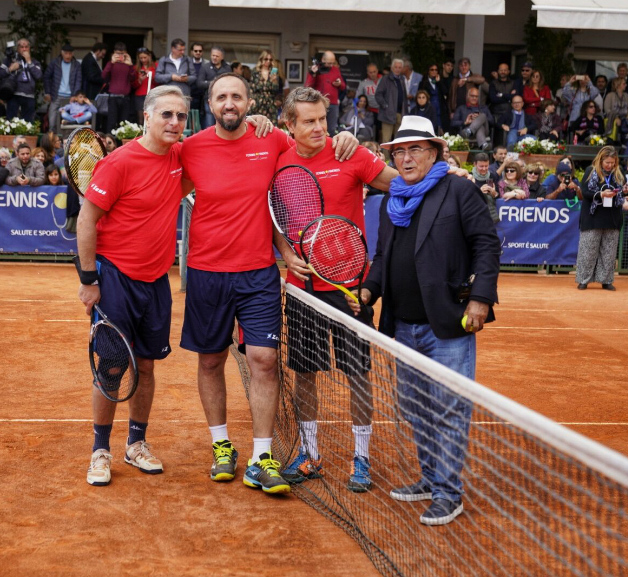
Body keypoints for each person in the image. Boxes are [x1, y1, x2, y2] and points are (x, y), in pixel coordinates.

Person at [179, 73, 358, 495]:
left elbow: (312, 144)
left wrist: (347, 141)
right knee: (209, 360)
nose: (229, 103)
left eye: (237, 96)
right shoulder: (193, 148)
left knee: (264, 359)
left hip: (259, 272)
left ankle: (262, 456)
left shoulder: (273, 138)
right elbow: (158, 184)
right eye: (221, 96)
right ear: (211, 103)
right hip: (206, 272)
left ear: (248, 102)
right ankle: (222, 445)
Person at [351, 115, 499, 526]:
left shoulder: (458, 190)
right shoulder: (391, 199)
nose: (405, 157)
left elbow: (486, 245)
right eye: (399, 151)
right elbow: (384, 259)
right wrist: (369, 290)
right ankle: (433, 480)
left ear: (434, 152)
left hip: (449, 324)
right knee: (415, 408)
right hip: (403, 326)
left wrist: (481, 299)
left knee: (450, 409)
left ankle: (450, 494)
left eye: (415, 148)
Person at [272, 86, 397, 492]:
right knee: (304, 374)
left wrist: (444, 175)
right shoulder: (278, 161)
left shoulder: (350, 153)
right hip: (304, 288)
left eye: (323, 119)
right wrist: (287, 254)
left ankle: (362, 458)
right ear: (289, 124)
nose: (319, 128)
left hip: (350, 287)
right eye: (308, 121)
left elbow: (400, 185)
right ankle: (310, 454)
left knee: (359, 374)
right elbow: (274, 216)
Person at [77, 85, 192, 486]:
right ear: (146, 116)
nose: (174, 123)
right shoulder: (119, 162)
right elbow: (86, 220)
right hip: (115, 280)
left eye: (181, 116)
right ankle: (100, 450)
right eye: (166, 115)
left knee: (145, 364)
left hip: (156, 280)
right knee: (111, 367)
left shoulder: (182, 157)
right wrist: (89, 281)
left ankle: (136, 443)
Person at [576, 146, 626, 290]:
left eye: (613, 162)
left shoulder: (619, 173)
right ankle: (583, 280)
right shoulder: (590, 171)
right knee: (588, 250)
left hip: (612, 217)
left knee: (609, 252)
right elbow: (585, 192)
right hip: (592, 217)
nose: (610, 165)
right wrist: (601, 194)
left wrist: (625, 192)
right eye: (607, 162)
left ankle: (606, 280)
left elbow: (622, 192)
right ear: (600, 160)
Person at [0, 38, 43, 122]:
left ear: (29, 48)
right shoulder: (10, 59)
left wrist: (29, 62)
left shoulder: (34, 62)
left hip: (29, 96)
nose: (24, 49)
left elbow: (38, 76)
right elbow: (0, 74)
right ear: (18, 48)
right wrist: (10, 69)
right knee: (11, 122)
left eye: (26, 47)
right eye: (22, 47)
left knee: (28, 123)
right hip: (14, 94)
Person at [44, 43, 82, 133]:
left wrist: (75, 95)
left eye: (70, 53)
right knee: (52, 119)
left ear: (73, 54)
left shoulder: (76, 65)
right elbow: (46, 77)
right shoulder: (55, 63)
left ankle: (65, 140)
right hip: (56, 95)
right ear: (62, 53)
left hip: (70, 97)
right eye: (66, 53)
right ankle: (51, 138)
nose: (68, 56)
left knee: (68, 121)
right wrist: (47, 92)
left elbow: (78, 80)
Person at [305, 51, 345, 135]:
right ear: (323, 60)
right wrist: (313, 74)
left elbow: (343, 86)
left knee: (332, 129)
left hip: (333, 103)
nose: (331, 65)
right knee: (318, 127)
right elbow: (307, 86)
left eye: (332, 63)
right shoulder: (315, 69)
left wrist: (339, 83)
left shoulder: (335, 69)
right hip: (319, 103)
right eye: (329, 63)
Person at [102, 43, 136, 133]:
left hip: (125, 97)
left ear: (126, 53)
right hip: (113, 97)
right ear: (114, 53)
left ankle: (122, 145)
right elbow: (103, 76)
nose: (120, 56)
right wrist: (111, 62)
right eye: (118, 54)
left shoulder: (128, 64)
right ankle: (110, 143)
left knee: (124, 123)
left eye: (122, 54)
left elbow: (133, 78)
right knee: (111, 122)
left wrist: (130, 65)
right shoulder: (111, 64)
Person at [196, 46, 231, 128]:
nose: (214, 58)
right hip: (209, 99)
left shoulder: (227, 68)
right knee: (209, 123)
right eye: (213, 55)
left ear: (222, 57)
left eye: (217, 56)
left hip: (224, 99)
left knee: (222, 123)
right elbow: (199, 83)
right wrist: (213, 83)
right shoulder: (205, 67)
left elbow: (230, 83)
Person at [375, 59, 406, 146]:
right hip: (387, 114)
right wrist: (385, 106)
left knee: (399, 140)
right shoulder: (385, 79)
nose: (397, 69)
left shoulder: (402, 79)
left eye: (400, 67)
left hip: (400, 113)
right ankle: (386, 160)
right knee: (386, 140)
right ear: (392, 68)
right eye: (396, 67)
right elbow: (378, 94)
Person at [250, 50, 284, 124]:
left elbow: (276, 90)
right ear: (261, 59)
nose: (268, 61)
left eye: (270, 59)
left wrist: (274, 81)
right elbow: (251, 89)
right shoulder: (255, 72)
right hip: (257, 103)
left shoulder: (273, 73)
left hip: (270, 103)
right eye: (266, 59)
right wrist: (251, 99)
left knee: (270, 127)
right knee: (256, 125)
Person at [133, 48, 158, 126]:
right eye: (141, 58)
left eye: (145, 57)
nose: (143, 60)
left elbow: (159, 81)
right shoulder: (135, 68)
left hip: (152, 94)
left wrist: (151, 75)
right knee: (140, 119)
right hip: (139, 95)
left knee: (152, 117)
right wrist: (140, 80)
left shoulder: (156, 66)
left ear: (149, 56)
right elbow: (133, 85)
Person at [603, 77, 628, 142]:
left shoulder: (626, 95)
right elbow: (607, 110)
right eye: (624, 84)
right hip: (613, 121)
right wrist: (616, 117)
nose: (626, 85)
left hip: (626, 120)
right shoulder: (610, 95)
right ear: (618, 85)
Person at [419, 64, 445, 134]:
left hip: (439, 110)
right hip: (428, 109)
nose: (434, 71)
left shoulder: (440, 81)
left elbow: (445, 92)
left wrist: (439, 82)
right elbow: (420, 96)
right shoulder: (423, 83)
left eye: (436, 70)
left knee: (439, 131)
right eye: (432, 69)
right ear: (428, 71)